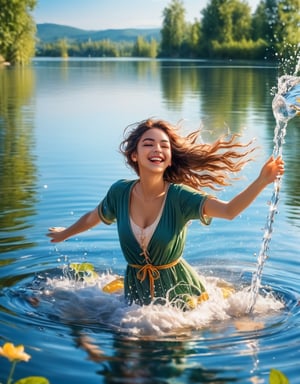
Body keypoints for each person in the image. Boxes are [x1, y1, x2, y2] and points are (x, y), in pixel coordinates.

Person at [47, 118, 285, 308]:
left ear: (170, 158)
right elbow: (94, 216)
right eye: (148, 144)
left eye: (164, 145)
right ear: (134, 155)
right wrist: (65, 233)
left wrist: (262, 180)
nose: (157, 149)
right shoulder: (119, 192)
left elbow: (229, 211)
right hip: (134, 297)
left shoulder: (180, 197)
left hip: (181, 298)